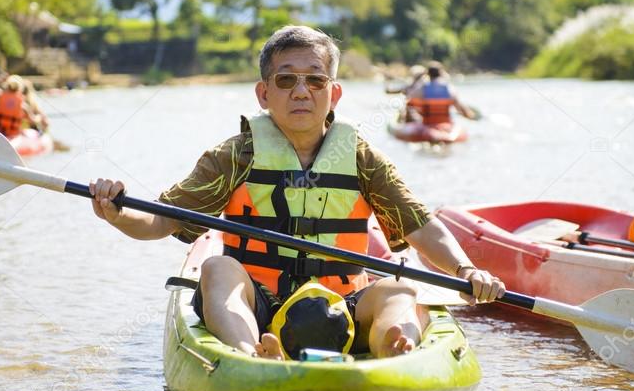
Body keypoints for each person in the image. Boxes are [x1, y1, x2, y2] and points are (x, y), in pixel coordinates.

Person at [89, 26, 504, 360]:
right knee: (217, 269)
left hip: (342, 306)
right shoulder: (235, 155)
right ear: (264, 93)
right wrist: (116, 211)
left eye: (315, 79)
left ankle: (394, 347)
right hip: (260, 306)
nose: (301, 92)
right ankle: (252, 357)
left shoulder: (362, 158)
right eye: (285, 80)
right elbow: (161, 219)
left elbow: (419, 226)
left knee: (401, 289)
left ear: (333, 92)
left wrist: (466, 271)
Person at [405, 62, 480, 125]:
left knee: (409, 107)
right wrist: (469, 115)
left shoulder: (422, 88)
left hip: (427, 124)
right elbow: (458, 105)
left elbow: (409, 101)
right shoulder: (449, 88)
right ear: (440, 74)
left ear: (428, 74)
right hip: (445, 124)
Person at [0, 74, 37, 139]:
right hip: (12, 137)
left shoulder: (0, 95)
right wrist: (38, 118)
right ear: (20, 88)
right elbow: (32, 121)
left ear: (7, 86)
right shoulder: (23, 106)